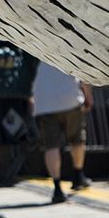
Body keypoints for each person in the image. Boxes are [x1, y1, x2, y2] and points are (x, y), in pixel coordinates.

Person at [31, 60, 93, 203]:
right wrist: (88, 94)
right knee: (77, 139)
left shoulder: (35, 44)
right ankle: (78, 175)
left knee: (51, 146)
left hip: (44, 102)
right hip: (70, 97)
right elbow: (82, 69)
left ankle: (57, 187)